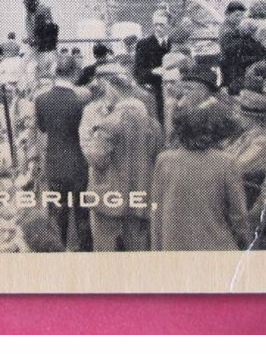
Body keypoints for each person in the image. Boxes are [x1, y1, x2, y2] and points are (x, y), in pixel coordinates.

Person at [80, 62, 162, 252]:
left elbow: (96, 159)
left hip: (110, 199)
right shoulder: (152, 124)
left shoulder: (109, 124)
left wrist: (89, 140)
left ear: (109, 87)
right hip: (141, 195)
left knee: (106, 251)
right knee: (139, 250)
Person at [150, 103, 251, 251]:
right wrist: (245, 242)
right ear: (209, 130)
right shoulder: (226, 163)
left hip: (174, 248)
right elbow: (238, 214)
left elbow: (156, 210)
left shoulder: (164, 161)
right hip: (216, 248)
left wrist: (156, 248)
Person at [33, 56, 93, 251]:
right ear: (74, 74)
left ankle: (56, 255)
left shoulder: (41, 100)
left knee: (57, 216)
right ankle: (86, 255)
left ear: (55, 73)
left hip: (54, 162)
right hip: (78, 162)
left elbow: (42, 128)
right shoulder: (81, 100)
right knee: (82, 215)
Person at [133, 9, 173, 122]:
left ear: (169, 25)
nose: (158, 28)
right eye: (155, 24)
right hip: (154, 92)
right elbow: (138, 72)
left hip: (173, 92)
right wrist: (153, 71)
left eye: (162, 25)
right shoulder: (143, 44)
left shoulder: (174, 43)